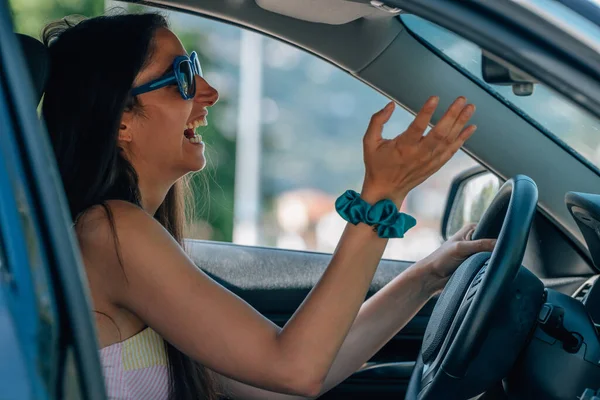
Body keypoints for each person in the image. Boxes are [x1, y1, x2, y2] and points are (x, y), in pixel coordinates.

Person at [41, 12, 495, 400]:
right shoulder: (110, 230)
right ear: (121, 120)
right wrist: (382, 195)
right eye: (182, 75)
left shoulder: (120, 233)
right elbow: (295, 370)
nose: (209, 92)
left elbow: (278, 382)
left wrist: (430, 276)